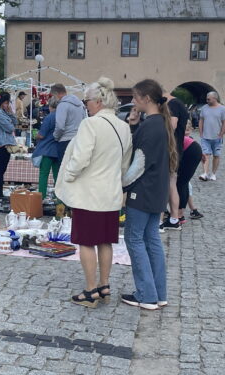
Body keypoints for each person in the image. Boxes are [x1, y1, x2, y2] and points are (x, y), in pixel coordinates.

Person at [55, 77, 133, 308]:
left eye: (87, 100)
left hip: (89, 194)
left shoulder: (90, 124)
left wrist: (68, 176)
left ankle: (90, 291)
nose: (85, 105)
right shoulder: (124, 127)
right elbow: (124, 165)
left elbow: (80, 158)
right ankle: (104, 285)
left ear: (98, 101)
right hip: (110, 193)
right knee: (105, 242)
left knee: (87, 243)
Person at [121, 79, 179, 310]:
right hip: (157, 191)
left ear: (146, 98)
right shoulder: (159, 123)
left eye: (135, 97)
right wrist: (134, 125)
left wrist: (122, 185)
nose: (133, 101)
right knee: (151, 240)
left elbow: (139, 164)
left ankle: (146, 295)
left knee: (134, 239)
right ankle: (158, 293)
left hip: (143, 192)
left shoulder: (151, 126)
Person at [160, 91, 190, 231]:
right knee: (172, 184)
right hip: (176, 149)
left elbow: (172, 125)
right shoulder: (178, 103)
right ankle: (173, 219)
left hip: (171, 149)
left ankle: (160, 220)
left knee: (166, 183)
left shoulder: (172, 104)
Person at [0, 92, 17, 198]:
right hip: (1, 144)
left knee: (2, 169)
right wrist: (10, 122)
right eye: (6, 103)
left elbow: (15, 123)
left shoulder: (4, 112)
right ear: (2, 103)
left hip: (6, 143)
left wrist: (10, 113)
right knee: (0, 169)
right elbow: (10, 128)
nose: (8, 105)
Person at [32, 96, 60, 198]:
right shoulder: (62, 116)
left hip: (47, 150)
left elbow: (42, 134)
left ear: (50, 106)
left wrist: (36, 135)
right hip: (58, 150)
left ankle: (41, 197)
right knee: (57, 176)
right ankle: (58, 198)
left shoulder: (49, 117)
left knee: (44, 175)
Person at [50, 83, 87, 160]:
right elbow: (85, 121)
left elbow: (60, 126)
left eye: (53, 96)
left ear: (56, 94)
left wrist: (55, 137)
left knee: (64, 169)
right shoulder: (80, 104)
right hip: (78, 140)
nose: (54, 98)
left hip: (65, 140)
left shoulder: (62, 105)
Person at [198, 91, 225, 181]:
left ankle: (213, 173)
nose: (207, 100)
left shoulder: (222, 109)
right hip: (205, 137)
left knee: (216, 155)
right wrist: (201, 132)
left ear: (215, 98)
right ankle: (205, 173)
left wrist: (221, 134)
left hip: (217, 137)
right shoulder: (204, 108)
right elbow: (201, 120)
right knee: (205, 154)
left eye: (208, 99)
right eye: (206, 99)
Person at [175, 125, 202, 223]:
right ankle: (180, 214)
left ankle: (179, 215)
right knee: (183, 183)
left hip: (190, 151)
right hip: (193, 149)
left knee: (180, 183)